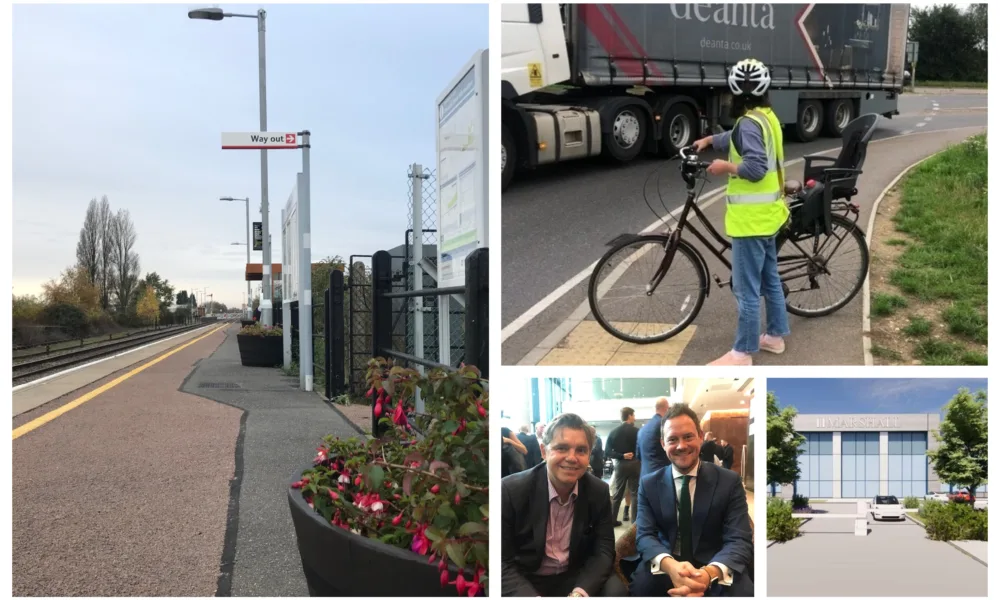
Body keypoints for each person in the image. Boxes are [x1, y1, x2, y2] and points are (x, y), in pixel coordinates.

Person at [691, 58, 791, 367]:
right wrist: (710, 140)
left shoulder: (749, 121)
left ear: (733, 91)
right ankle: (774, 337)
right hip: (770, 215)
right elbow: (739, 135)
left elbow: (756, 167)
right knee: (769, 279)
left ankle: (742, 353)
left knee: (745, 289)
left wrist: (726, 166)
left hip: (751, 221)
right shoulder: (765, 116)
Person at [630, 404, 753, 597]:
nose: (681, 446)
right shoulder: (649, 484)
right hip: (666, 561)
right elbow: (644, 535)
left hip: (715, 562)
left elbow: (739, 538)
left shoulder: (729, 481)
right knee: (640, 589)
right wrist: (672, 568)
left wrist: (706, 574)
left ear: (701, 436)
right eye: (672, 439)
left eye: (688, 436)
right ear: (663, 444)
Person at [501, 414, 617, 597]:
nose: (572, 458)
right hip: (528, 578)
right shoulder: (510, 491)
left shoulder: (599, 491)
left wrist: (579, 593)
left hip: (575, 575)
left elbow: (604, 550)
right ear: (543, 451)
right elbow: (501, 561)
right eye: (561, 448)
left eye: (581, 450)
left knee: (616, 591)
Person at [606, 407, 641, 525]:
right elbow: (642, 448)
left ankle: (612, 519)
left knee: (618, 493)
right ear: (630, 416)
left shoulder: (613, 432)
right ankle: (634, 522)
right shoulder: (637, 431)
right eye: (634, 415)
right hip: (635, 464)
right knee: (635, 493)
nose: (635, 418)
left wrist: (621, 455)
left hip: (620, 465)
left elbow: (607, 452)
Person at [635, 398, 672, 508]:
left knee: (648, 513)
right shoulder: (665, 425)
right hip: (662, 477)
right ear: (666, 408)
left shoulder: (642, 429)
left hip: (644, 476)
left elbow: (638, 455)